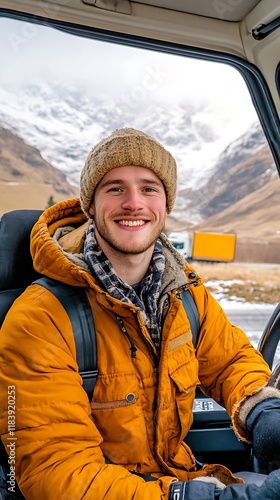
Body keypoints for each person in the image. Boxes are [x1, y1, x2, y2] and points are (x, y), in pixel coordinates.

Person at [0, 127, 280, 500]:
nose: (134, 203)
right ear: (90, 205)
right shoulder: (40, 318)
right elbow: (56, 472)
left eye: (149, 188)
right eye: (115, 188)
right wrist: (188, 495)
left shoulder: (185, 293)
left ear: (166, 205)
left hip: (177, 476)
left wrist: (264, 411)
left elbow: (230, 359)